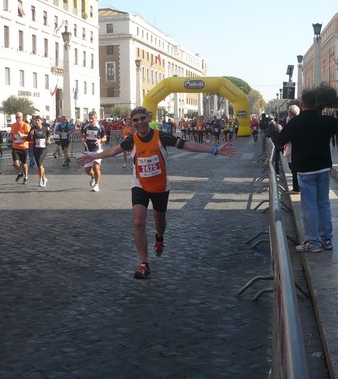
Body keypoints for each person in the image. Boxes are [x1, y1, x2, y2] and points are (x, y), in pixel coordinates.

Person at [76, 106, 236, 279]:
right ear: (132, 122)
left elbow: (186, 144)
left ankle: (159, 237)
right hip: (140, 184)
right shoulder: (131, 140)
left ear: (148, 118)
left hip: (160, 186)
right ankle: (143, 264)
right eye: (135, 120)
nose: (139, 123)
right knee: (138, 222)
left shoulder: (162, 136)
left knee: (160, 221)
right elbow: (114, 150)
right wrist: (92, 157)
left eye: (142, 118)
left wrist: (214, 150)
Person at [275, 91, 338, 252]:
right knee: (324, 203)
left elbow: (279, 140)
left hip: (306, 169)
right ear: (316, 103)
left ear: (301, 104)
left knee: (309, 205)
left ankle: (313, 241)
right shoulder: (324, 120)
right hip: (323, 166)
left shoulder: (295, 122)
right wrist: (335, 113)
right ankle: (327, 239)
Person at [81, 111, 107, 192]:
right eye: (89, 119)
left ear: (96, 118)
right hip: (88, 150)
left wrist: (100, 140)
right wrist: (83, 138)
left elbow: (105, 138)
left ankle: (96, 185)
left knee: (96, 166)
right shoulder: (86, 126)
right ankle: (92, 176)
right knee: (88, 171)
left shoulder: (100, 127)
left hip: (97, 150)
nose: (91, 120)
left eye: (92, 119)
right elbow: (82, 133)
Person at [27, 115, 50, 187]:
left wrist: (48, 140)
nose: (36, 122)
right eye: (35, 120)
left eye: (38, 120)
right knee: (39, 165)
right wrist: (31, 135)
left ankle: (40, 180)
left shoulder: (45, 129)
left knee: (39, 163)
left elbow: (48, 135)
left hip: (43, 149)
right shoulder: (33, 129)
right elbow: (27, 139)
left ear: (41, 121)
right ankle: (44, 178)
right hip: (36, 149)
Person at [284, 105, 301, 193]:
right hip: (299, 149)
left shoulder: (291, 123)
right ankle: (297, 187)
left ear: (290, 113)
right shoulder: (301, 121)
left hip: (293, 149)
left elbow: (284, 137)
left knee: (293, 168)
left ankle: (296, 187)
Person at [11, 112, 31, 184]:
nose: (18, 119)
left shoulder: (26, 125)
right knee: (15, 163)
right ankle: (20, 172)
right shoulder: (13, 125)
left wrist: (23, 135)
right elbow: (12, 134)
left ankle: (26, 177)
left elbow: (29, 136)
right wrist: (12, 137)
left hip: (24, 147)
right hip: (15, 146)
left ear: (22, 118)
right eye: (17, 117)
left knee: (24, 163)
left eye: (19, 117)